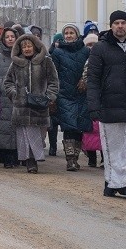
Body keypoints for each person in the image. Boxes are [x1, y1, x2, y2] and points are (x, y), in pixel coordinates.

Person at [86, 10, 126, 200]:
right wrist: (94, 106)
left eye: (123, 23)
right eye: (116, 23)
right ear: (111, 25)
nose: (120, 26)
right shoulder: (101, 48)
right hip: (111, 107)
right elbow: (93, 80)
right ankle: (114, 183)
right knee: (116, 150)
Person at [2, 34, 59, 174]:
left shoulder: (46, 62)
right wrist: (14, 94)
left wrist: (49, 96)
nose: (27, 49)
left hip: (40, 105)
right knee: (23, 135)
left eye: (29, 46)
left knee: (38, 135)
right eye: (24, 46)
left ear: (35, 46)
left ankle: (36, 156)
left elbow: (54, 81)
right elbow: (7, 82)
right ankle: (30, 161)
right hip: (21, 106)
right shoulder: (16, 63)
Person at [50, 23, 92, 171]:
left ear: (77, 34)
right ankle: (70, 160)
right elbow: (53, 74)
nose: (68, 35)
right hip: (65, 94)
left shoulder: (86, 51)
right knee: (68, 126)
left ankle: (75, 156)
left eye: (71, 33)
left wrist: (85, 81)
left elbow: (91, 69)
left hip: (81, 94)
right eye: (66, 33)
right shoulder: (57, 52)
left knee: (79, 127)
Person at [0, 27, 19, 168]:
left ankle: (18, 154)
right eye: (7, 37)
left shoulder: (22, 56)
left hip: (19, 96)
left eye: (12, 36)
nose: (10, 39)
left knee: (17, 126)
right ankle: (5, 155)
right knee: (3, 127)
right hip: (2, 97)